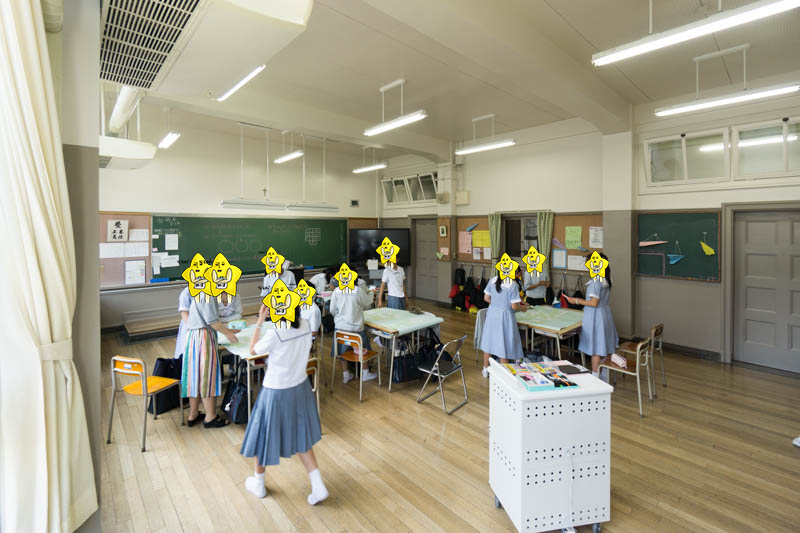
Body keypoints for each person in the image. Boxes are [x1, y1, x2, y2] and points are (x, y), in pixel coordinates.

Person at [241, 305, 328, 505]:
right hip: (300, 386)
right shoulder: (305, 324)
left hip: (276, 390)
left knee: (261, 436)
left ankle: (259, 483)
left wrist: (260, 321)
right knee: (301, 436)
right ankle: (318, 485)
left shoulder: (276, 333)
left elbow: (253, 350)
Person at [182, 293, 240, 427]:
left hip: (193, 336)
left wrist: (227, 329)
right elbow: (212, 321)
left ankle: (193, 414)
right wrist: (228, 333)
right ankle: (210, 417)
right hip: (203, 337)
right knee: (207, 377)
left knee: (194, 376)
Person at [566, 252, 618, 380]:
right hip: (606, 314)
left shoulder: (595, 282)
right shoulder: (606, 278)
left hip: (596, 317)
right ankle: (605, 377)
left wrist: (576, 300)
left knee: (596, 350)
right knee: (605, 347)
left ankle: (596, 378)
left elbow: (594, 303)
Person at [480, 270, 529, 378]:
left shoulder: (492, 280)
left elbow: (486, 298)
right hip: (505, 317)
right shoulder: (513, 284)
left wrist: (497, 304)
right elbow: (514, 306)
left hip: (491, 314)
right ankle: (502, 375)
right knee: (504, 345)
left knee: (489, 343)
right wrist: (523, 308)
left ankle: (485, 370)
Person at [330, 277, 376, 384]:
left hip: (340, 329)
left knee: (342, 351)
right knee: (362, 348)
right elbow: (368, 302)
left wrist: (340, 317)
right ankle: (365, 373)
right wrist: (371, 293)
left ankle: (346, 375)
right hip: (356, 329)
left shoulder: (336, 291)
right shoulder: (357, 290)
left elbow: (332, 310)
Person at [174, 287, 191, 359]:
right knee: (186, 354)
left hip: (203, 328)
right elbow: (185, 316)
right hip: (189, 329)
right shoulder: (186, 293)